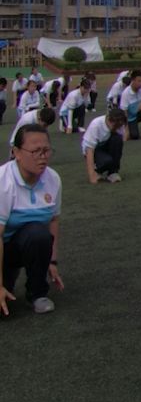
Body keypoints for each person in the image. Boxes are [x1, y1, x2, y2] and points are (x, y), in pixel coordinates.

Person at [0, 124, 65, 315]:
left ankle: (37, 294)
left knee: (38, 234)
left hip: (15, 245)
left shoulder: (53, 179)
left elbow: (53, 220)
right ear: (16, 152)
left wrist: (52, 262)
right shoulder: (3, 182)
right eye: (36, 151)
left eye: (46, 150)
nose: (42, 156)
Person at [82, 108, 129, 184]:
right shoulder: (96, 125)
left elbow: (124, 137)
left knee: (117, 139)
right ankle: (97, 170)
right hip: (94, 149)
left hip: (105, 144)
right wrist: (91, 175)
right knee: (106, 161)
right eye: (115, 125)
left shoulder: (119, 124)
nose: (117, 127)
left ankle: (113, 172)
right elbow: (89, 150)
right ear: (108, 119)